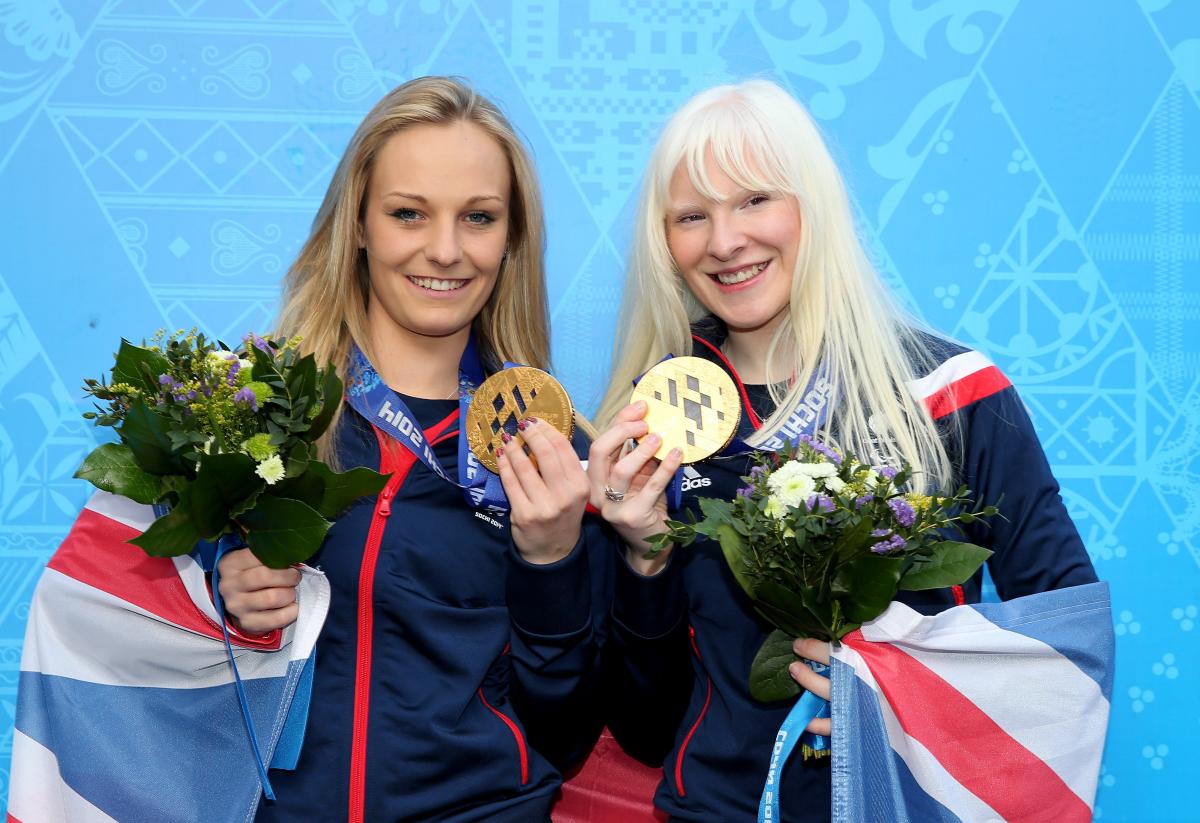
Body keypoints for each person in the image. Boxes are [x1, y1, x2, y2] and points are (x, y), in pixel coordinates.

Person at [587, 79, 1099, 822]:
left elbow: (1067, 653)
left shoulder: (951, 393)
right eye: (692, 215)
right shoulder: (654, 423)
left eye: (755, 199)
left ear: (813, 205)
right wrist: (643, 557)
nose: (725, 240)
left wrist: (905, 691)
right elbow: (644, 725)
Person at [218, 76, 609, 822]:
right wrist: (222, 596)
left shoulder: (555, 452)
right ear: (358, 224)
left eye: (479, 217)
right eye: (409, 213)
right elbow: (142, 658)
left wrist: (552, 559)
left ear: (512, 238)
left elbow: (567, 732)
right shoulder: (257, 416)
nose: (445, 249)